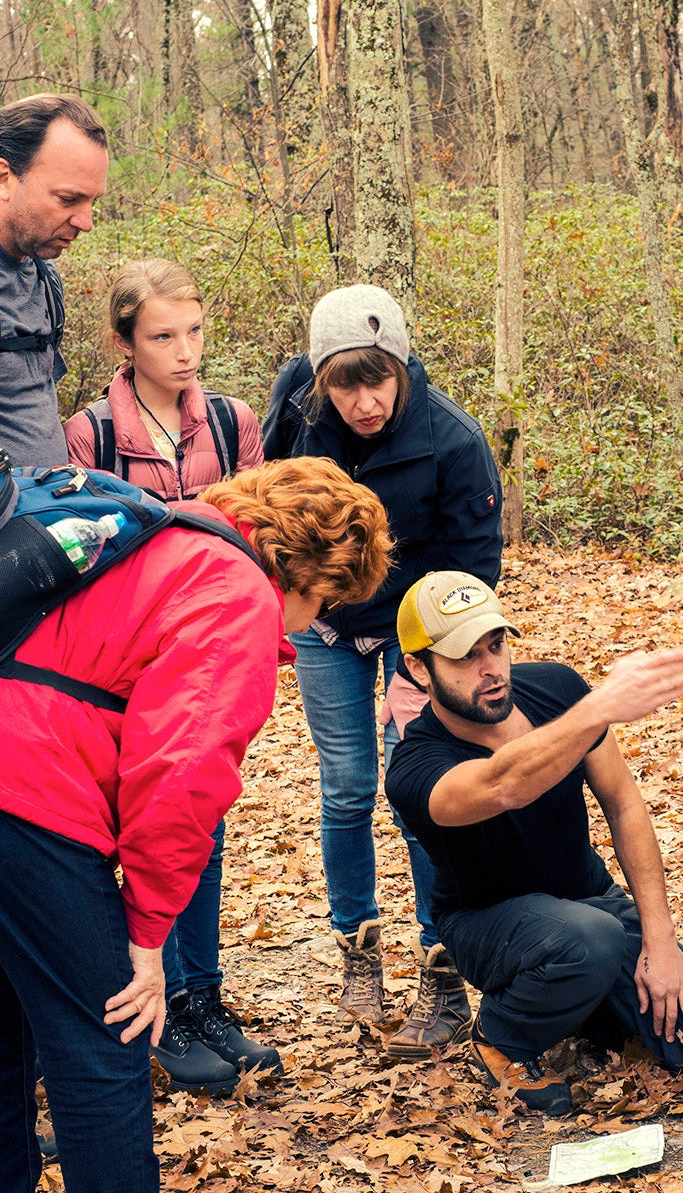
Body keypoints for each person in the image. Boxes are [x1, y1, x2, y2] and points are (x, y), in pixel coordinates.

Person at [0, 458, 391, 1193]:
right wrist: (148, 935)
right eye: (326, 604)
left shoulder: (159, 528)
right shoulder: (233, 590)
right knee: (105, 1033)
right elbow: (182, 771)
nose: (314, 623)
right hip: (30, 789)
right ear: (307, 574)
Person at [386, 571, 683, 1114]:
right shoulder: (415, 764)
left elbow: (623, 803)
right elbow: (504, 785)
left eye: (497, 645)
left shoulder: (556, 688)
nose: (491, 669)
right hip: (489, 929)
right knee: (589, 939)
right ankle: (500, 1035)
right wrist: (598, 708)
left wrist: (660, 940)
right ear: (420, 669)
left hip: (592, 908)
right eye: (466, 656)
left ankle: (585, 1009)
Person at [263, 286, 502, 1053]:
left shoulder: (454, 440)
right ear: (320, 377)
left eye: (377, 379)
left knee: (420, 792)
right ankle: (356, 943)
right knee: (345, 787)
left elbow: (474, 568)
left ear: (400, 367)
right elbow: (267, 512)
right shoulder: (297, 419)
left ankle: (442, 963)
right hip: (324, 624)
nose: (362, 401)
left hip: (415, 631)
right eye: (344, 382)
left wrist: (430, 664)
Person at [64, 259, 273, 1096]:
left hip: (214, 647)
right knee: (140, 823)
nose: (184, 352)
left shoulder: (230, 421)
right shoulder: (92, 431)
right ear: (124, 343)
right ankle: (161, 1007)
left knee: (204, 817)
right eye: (162, 336)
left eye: (194, 333)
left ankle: (202, 993)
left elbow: (260, 526)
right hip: (128, 659)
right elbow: (88, 542)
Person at [0, 94, 108, 468]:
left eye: (92, 202)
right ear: (3, 178)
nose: (86, 222)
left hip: (48, 517)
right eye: (68, 199)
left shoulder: (43, 273)